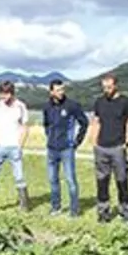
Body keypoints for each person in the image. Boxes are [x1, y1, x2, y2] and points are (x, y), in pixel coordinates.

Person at [91, 73, 128, 222]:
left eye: (109, 87)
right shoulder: (99, 102)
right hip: (102, 147)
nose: (106, 90)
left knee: (122, 181)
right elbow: (96, 121)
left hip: (118, 147)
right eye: (104, 87)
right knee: (102, 181)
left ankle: (125, 211)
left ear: (116, 85)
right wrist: (94, 142)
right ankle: (103, 212)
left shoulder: (126, 102)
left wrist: (127, 142)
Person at [42, 78, 89, 217]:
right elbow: (46, 124)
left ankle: (74, 210)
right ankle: (55, 207)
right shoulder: (47, 107)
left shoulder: (72, 105)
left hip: (67, 148)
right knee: (53, 179)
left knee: (70, 179)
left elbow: (84, 123)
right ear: (51, 92)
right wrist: (49, 137)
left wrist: (76, 141)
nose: (61, 92)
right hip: (51, 149)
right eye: (57, 90)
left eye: (62, 89)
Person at [0, 80, 30, 213]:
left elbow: (25, 127)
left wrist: (20, 144)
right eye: (2, 94)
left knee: (19, 176)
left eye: (7, 94)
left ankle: (24, 204)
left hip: (14, 146)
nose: (5, 97)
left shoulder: (20, 106)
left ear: (12, 93)